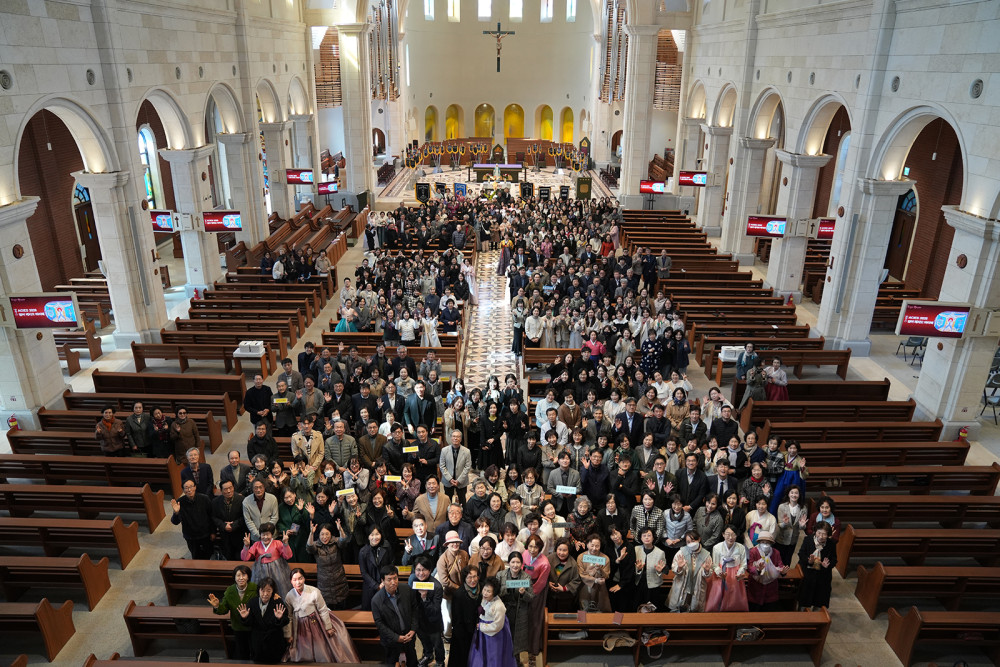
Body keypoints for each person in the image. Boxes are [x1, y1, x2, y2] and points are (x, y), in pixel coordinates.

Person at [285, 567, 361, 662]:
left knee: (320, 647)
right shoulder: (289, 596)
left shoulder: (314, 591)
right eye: (294, 580)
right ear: (291, 581)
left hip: (314, 622)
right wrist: (288, 634)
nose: (298, 582)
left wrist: (328, 627)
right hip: (299, 625)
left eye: (300, 578)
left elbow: (323, 609)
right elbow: (289, 617)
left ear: (304, 578)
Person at [236, 576, 290, 664]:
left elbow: (286, 620)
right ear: (258, 590)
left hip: (274, 642)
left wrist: (279, 618)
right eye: (262, 590)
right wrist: (245, 617)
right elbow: (248, 623)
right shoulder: (252, 602)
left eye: (268, 590)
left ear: (273, 591)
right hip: (257, 643)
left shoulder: (278, 602)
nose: (265, 594)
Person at [208, 565, 258, 659]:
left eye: (244, 575)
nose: (241, 578)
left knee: (255, 651)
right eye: (238, 575)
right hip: (238, 627)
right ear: (234, 578)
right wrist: (217, 606)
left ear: (248, 577)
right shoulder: (230, 591)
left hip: (253, 626)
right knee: (242, 653)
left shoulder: (255, 588)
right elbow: (224, 610)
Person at [469, 577, 518, 667]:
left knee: (493, 655)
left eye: (488, 591)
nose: (485, 593)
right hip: (483, 632)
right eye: (484, 589)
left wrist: (481, 626)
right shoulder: (484, 599)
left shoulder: (499, 606)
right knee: (482, 654)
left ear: (494, 593)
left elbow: (497, 626)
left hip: (494, 635)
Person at [497, 552, 534, 665]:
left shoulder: (526, 577)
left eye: (518, 562)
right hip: (504, 611)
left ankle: (515, 661)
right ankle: (503, 660)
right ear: (509, 563)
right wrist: (506, 588)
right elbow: (495, 594)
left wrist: (523, 594)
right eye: (513, 562)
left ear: (522, 564)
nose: (515, 565)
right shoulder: (500, 575)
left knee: (516, 639)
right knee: (503, 637)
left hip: (519, 612)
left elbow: (531, 597)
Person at [241, 522, 293, 599]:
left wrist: (285, 544)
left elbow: (288, 556)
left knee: (279, 591)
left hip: (277, 572)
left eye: (267, 534)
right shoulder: (256, 545)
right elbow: (245, 558)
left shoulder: (277, 543)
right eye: (263, 535)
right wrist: (246, 546)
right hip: (260, 572)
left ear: (272, 535)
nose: (265, 537)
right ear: (260, 535)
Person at [410, 556, 445, 667]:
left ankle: (440, 661)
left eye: (424, 570)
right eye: (418, 570)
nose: (421, 573)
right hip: (420, 621)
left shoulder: (437, 586)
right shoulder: (413, 582)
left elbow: (435, 610)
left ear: (430, 570)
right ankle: (428, 655)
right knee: (424, 641)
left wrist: (425, 598)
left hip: (433, 622)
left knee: (437, 644)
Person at [307, 522, 350, 610]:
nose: (325, 537)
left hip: (339, 581)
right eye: (322, 534)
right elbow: (309, 547)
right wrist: (311, 533)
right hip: (324, 584)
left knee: (342, 609)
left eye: (327, 534)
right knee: (327, 611)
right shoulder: (317, 545)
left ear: (331, 534)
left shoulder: (335, 542)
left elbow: (343, 541)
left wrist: (340, 530)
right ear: (319, 535)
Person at [667, 530, 713, 612]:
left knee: (694, 610)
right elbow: (674, 569)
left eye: (693, 540)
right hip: (683, 586)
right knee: (679, 609)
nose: (691, 543)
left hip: (697, 587)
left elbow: (708, 574)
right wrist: (679, 568)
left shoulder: (706, 555)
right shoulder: (681, 552)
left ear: (699, 539)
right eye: (688, 542)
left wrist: (706, 571)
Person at [522, 534, 550, 664]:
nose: (532, 550)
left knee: (535, 618)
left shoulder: (545, 563)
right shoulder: (524, 554)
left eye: (536, 547)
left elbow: (541, 583)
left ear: (540, 548)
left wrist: (529, 594)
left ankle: (533, 647)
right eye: (530, 546)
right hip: (524, 587)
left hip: (536, 591)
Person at [170, 479, 214, 559]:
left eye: (191, 487)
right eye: (186, 488)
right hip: (191, 537)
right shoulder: (180, 502)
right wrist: (176, 513)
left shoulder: (205, 499)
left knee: (209, 554)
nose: (189, 490)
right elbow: (175, 522)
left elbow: (212, 516)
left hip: (205, 534)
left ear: (195, 487)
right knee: (195, 556)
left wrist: (213, 532)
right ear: (183, 490)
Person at [797, 522, 836, 610]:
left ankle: (816, 613)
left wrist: (828, 565)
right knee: (805, 595)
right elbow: (801, 554)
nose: (821, 536)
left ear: (828, 535)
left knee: (819, 597)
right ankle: (802, 610)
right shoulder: (808, 540)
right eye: (819, 533)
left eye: (824, 534)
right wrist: (809, 561)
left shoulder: (831, 544)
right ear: (815, 531)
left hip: (822, 574)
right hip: (808, 572)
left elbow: (834, 559)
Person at [746, 531, 787, 611]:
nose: (765, 545)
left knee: (769, 610)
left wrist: (783, 572)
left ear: (771, 543)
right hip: (755, 587)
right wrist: (757, 570)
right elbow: (749, 567)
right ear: (759, 542)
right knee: (754, 609)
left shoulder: (776, 553)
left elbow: (780, 565)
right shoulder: (754, 552)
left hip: (770, 587)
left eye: (767, 543)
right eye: (763, 542)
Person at [450, 566, 483, 667]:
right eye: (469, 577)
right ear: (464, 578)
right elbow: (457, 619)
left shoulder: (483, 590)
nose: (473, 580)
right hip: (464, 632)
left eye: (475, 576)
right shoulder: (459, 594)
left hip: (480, 629)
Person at [359, 525, 395, 610]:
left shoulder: (387, 546)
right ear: (368, 536)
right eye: (372, 535)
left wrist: (384, 582)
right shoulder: (363, 551)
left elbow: (391, 564)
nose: (375, 537)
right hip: (370, 586)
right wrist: (376, 586)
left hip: (385, 584)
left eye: (377, 534)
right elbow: (364, 573)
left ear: (381, 535)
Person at [212, 479, 247, 561]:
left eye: (230, 488)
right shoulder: (215, 502)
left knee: (239, 557)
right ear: (221, 491)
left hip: (239, 535)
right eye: (225, 489)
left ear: (233, 487)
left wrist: (234, 525)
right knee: (228, 557)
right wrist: (224, 525)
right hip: (225, 536)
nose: (228, 491)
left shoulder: (242, 500)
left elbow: (245, 517)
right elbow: (214, 517)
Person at [576, 534, 612, 612]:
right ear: (587, 545)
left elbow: (606, 575)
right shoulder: (581, 557)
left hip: (600, 589)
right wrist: (595, 580)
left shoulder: (605, 558)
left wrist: (600, 570)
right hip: (585, 586)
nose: (594, 548)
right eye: (592, 545)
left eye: (597, 546)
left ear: (600, 546)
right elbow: (581, 574)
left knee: (599, 611)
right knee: (584, 610)